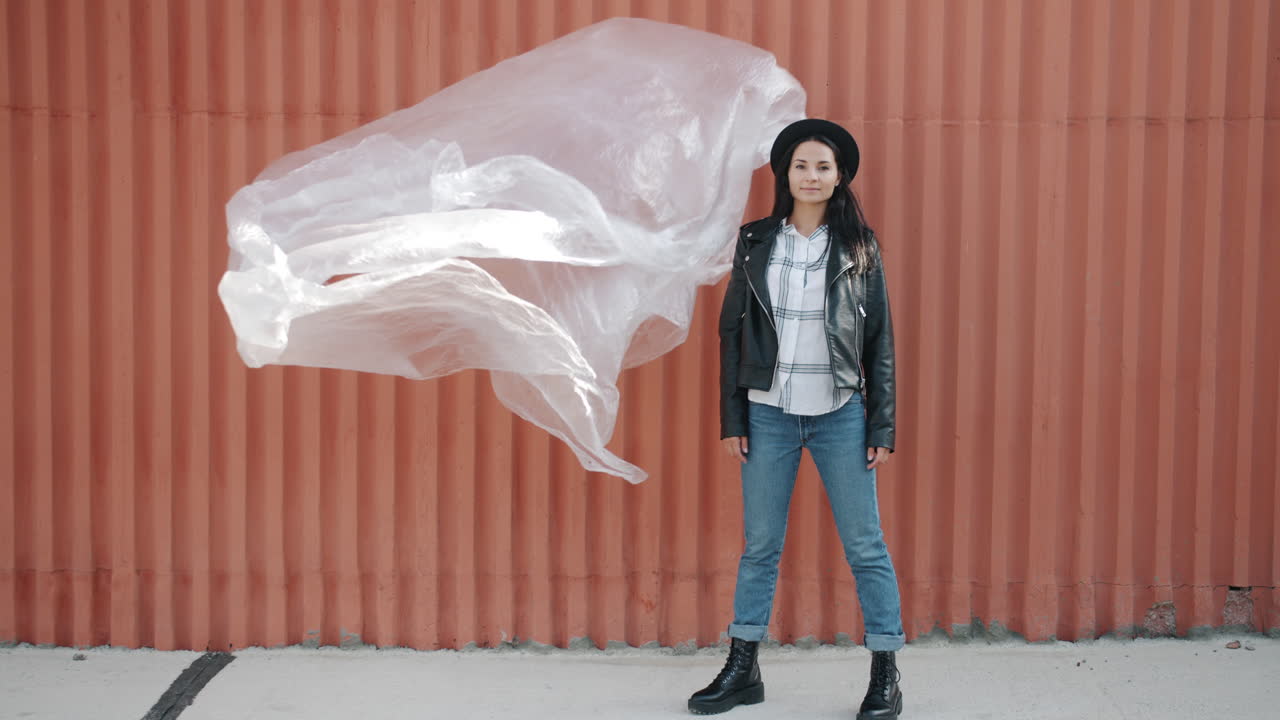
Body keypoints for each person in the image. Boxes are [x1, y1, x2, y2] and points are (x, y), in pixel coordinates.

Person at [688, 119, 904, 718]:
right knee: (760, 547)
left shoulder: (860, 246)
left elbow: (879, 340)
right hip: (769, 415)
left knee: (865, 546)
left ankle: (885, 673)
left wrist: (881, 424)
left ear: (840, 178)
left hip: (841, 415)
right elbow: (732, 334)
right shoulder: (755, 240)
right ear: (786, 173)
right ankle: (742, 668)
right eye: (802, 165)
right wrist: (734, 418)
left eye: (824, 167)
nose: (812, 176)